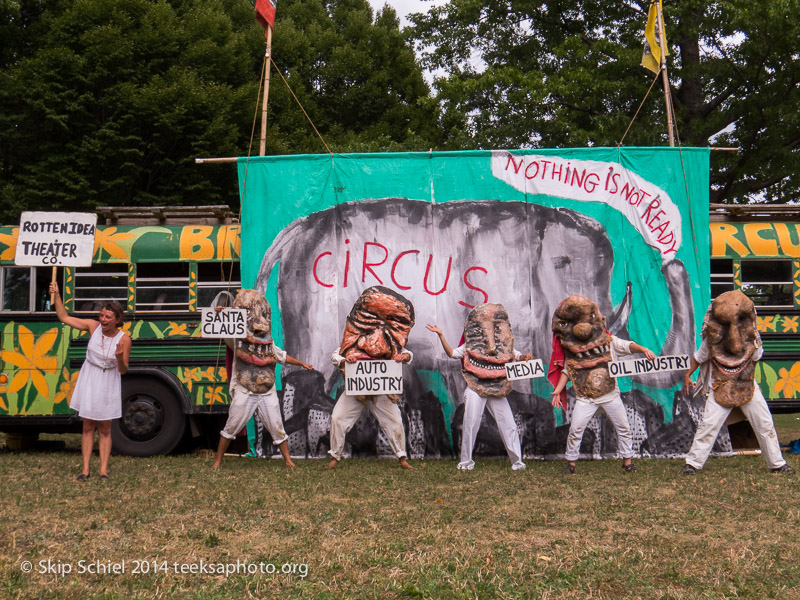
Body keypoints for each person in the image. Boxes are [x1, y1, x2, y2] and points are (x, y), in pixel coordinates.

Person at [682, 290, 794, 475]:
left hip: (747, 385)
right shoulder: (713, 339)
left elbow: (756, 356)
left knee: (764, 423)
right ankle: (692, 464)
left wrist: (753, 340)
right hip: (721, 386)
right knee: (709, 425)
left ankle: (777, 463)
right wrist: (688, 374)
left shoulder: (751, 337)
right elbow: (699, 357)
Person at [549, 295, 655, 474]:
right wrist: (558, 390)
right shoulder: (572, 349)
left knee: (623, 427)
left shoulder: (609, 342)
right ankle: (571, 463)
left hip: (610, 394)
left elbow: (628, 346)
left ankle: (627, 461)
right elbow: (568, 371)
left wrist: (644, 349)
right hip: (585, 397)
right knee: (575, 429)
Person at [211, 289, 312, 469]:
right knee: (231, 426)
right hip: (245, 389)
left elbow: (282, 356)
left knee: (277, 426)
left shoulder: (268, 343)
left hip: (266, 390)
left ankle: (288, 460)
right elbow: (221, 327)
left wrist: (302, 364)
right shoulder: (236, 339)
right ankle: (218, 461)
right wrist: (220, 314)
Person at [427, 302, 530, 471]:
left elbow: (517, 355)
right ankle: (466, 462)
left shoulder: (502, 345)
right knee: (471, 423)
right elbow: (452, 354)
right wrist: (441, 335)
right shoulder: (471, 344)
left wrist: (526, 357)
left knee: (508, 424)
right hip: (476, 388)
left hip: (496, 388)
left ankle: (518, 463)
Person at [50, 282, 131, 481]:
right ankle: (85, 470)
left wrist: (120, 357)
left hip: (109, 379)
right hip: (90, 377)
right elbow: (64, 317)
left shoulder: (124, 339)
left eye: (107, 317)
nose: (102, 320)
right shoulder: (92, 327)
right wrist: (57, 295)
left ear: (117, 320)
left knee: (105, 427)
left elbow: (123, 369)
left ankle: (103, 470)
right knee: (88, 425)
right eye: (101, 315)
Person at [328, 286, 415, 470]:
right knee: (338, 418)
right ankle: (335, 456)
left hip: (381, 391)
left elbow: (406, 354)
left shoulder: (390, 344)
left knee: (395, 421)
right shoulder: (353, 341)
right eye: (367, 321)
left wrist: (404, 357)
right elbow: (336, 357)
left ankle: (402, 458)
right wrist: (346, 361)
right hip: (356, 391)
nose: (375, 345)